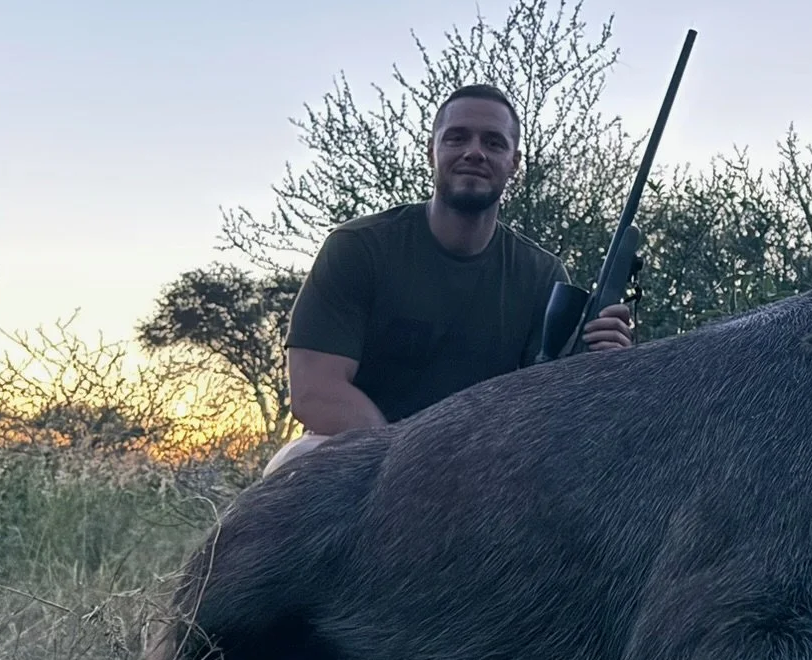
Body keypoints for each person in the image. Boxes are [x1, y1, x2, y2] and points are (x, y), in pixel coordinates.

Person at [264, 84, 633, 474]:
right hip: (364, 464)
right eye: (457, 137)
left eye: (494, 143)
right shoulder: (356, 247)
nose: (474, 152)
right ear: (431, 151)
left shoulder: (543, 275)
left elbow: (548, 408)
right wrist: (409, 463)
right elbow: (314, 393)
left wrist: (603, 367)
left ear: (514, 164)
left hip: (487, 470)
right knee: (296, 463)